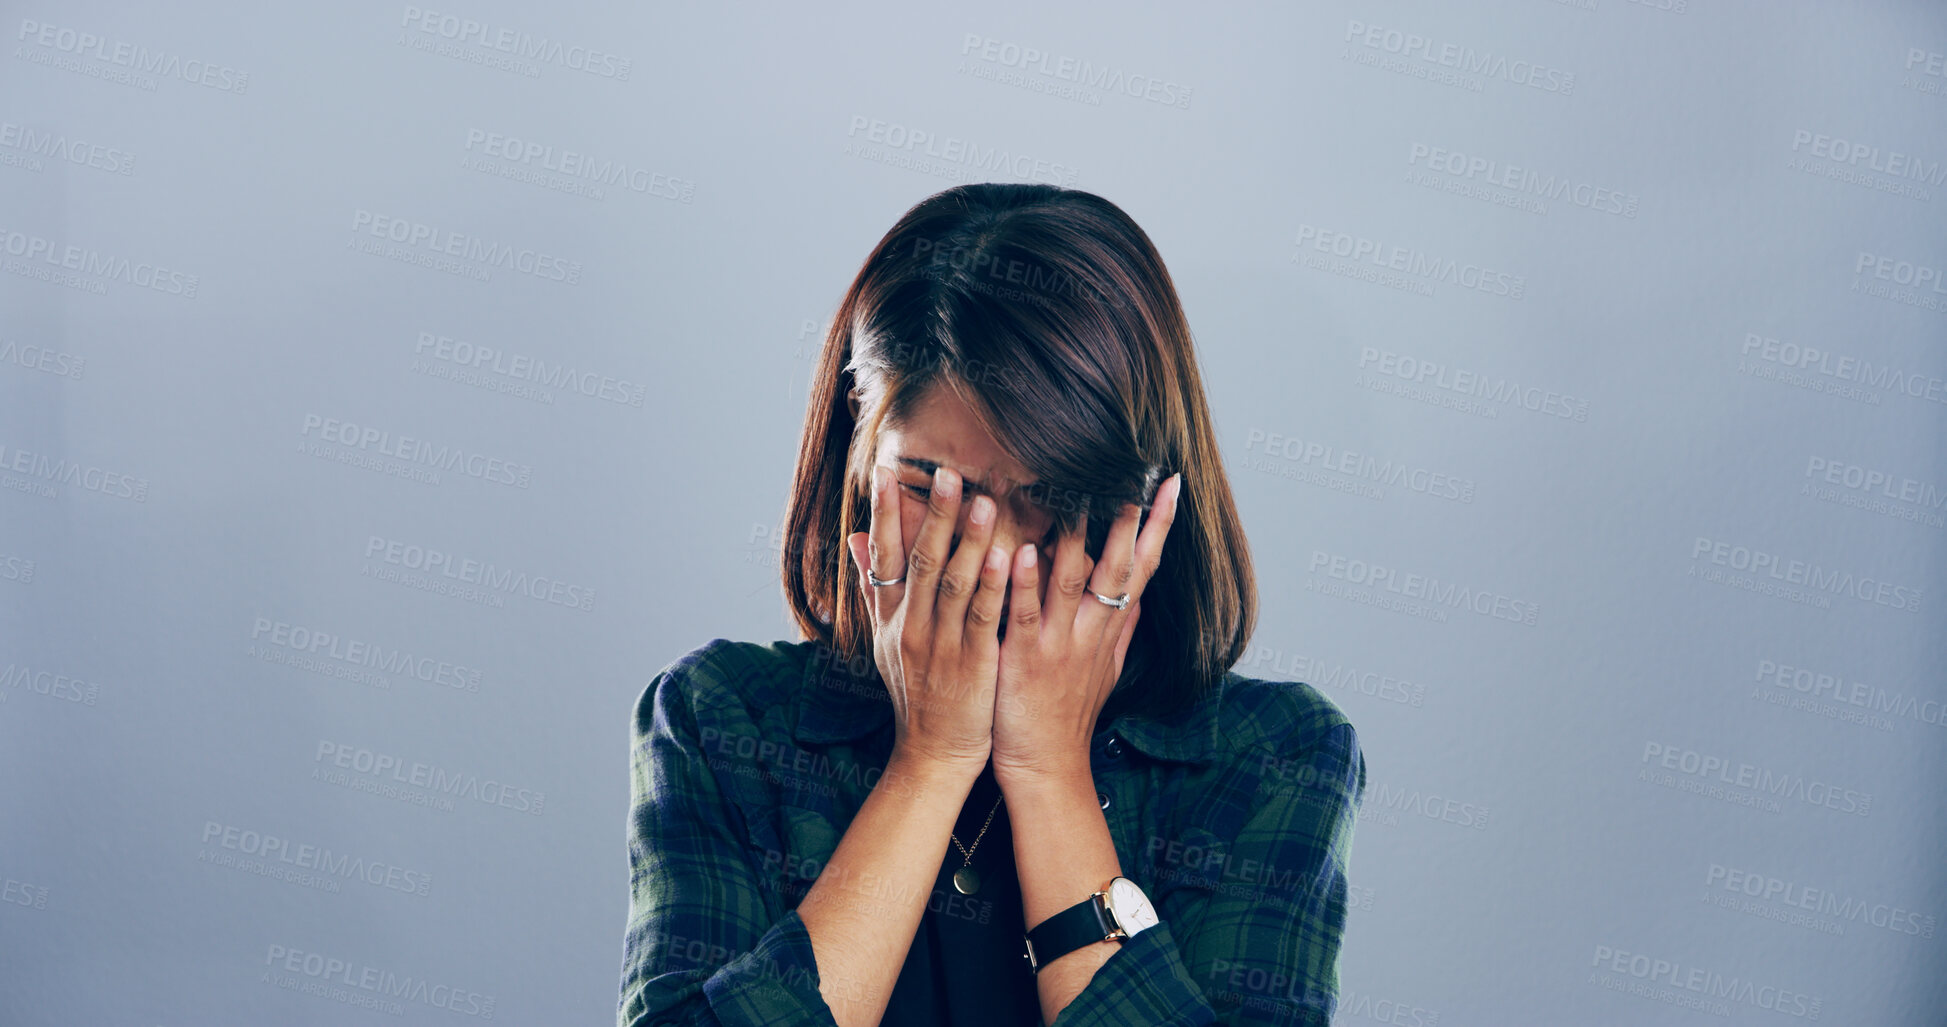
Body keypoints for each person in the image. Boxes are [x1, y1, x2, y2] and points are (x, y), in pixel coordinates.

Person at [617, 182, 1367, 1027]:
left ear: (1143, 500)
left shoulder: (1274, 756)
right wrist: (929, 761)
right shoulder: (721, 719)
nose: (993, 557)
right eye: (931, 489)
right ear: (860, 444)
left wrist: (1050, 773)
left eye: (1048, 500)